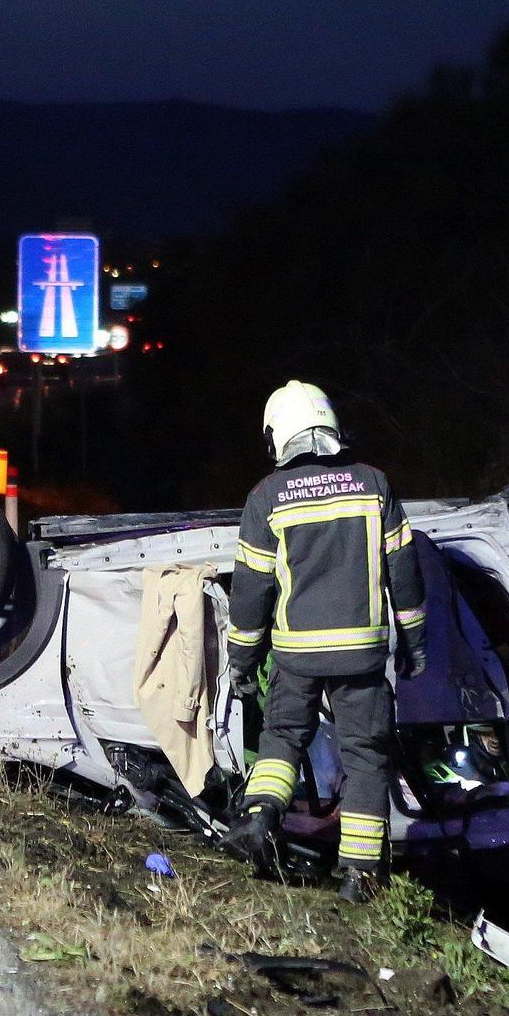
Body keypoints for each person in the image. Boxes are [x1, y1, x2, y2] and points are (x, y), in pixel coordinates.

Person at [220, 380, 427, 903]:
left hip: (297, 655)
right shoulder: (374, 485)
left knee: (283, 739)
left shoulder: (266, 497)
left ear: (278, 435)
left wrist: (241, 658)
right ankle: (359, 876)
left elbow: (251, 591)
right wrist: (415, 642)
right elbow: (405, 573)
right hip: (362, 655)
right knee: (364, 758)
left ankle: (259, 820)